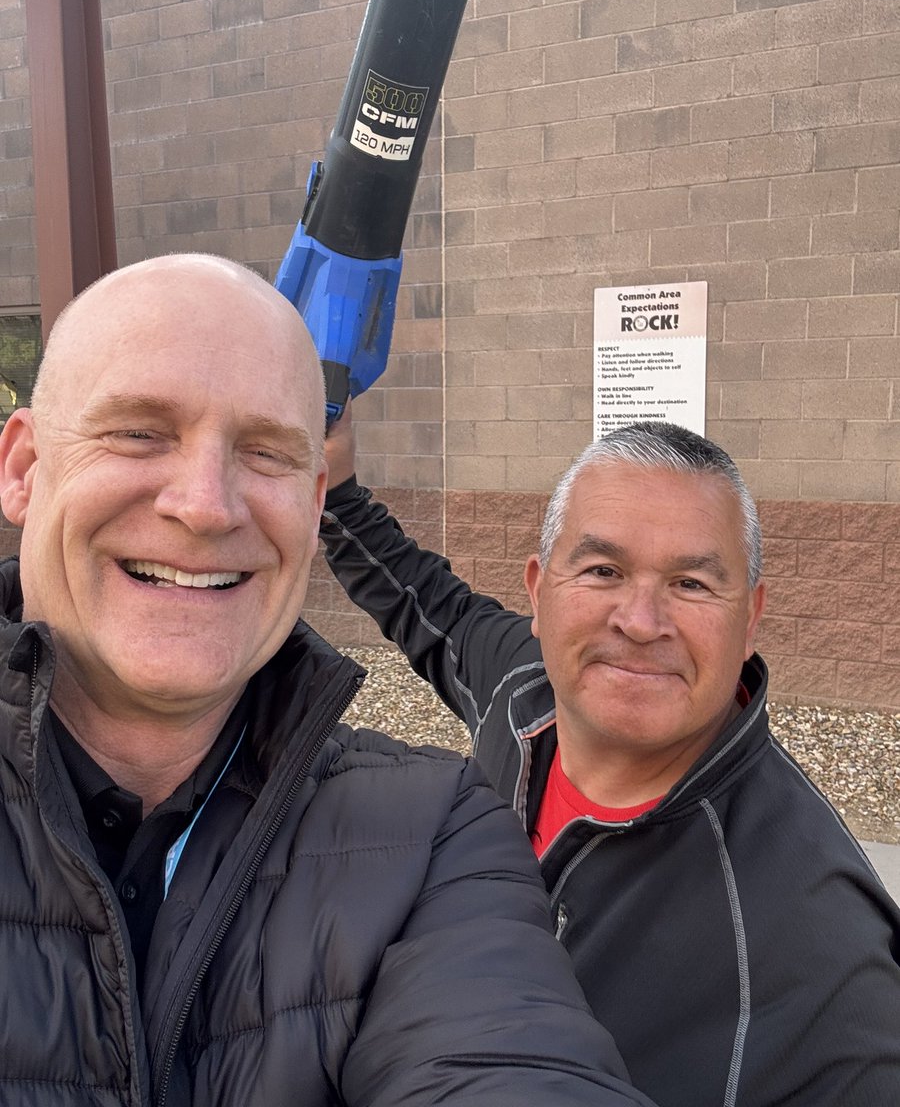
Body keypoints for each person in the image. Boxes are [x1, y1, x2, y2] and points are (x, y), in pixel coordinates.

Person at [0, 254, 661, 1107]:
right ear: (22, 467)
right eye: (139, 432)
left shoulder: (433, 833)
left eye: (266, 451)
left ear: (314, 506)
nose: (206, 504)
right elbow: (430, 603)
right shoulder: (505, 675)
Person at [321, 408, 900, 1107]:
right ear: (539, 593)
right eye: (602, 570)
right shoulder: (523, 686)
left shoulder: (820, 952)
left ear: (750, 618)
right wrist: (337, 484)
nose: (640, 621)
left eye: (691, 584)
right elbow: (420, 599)